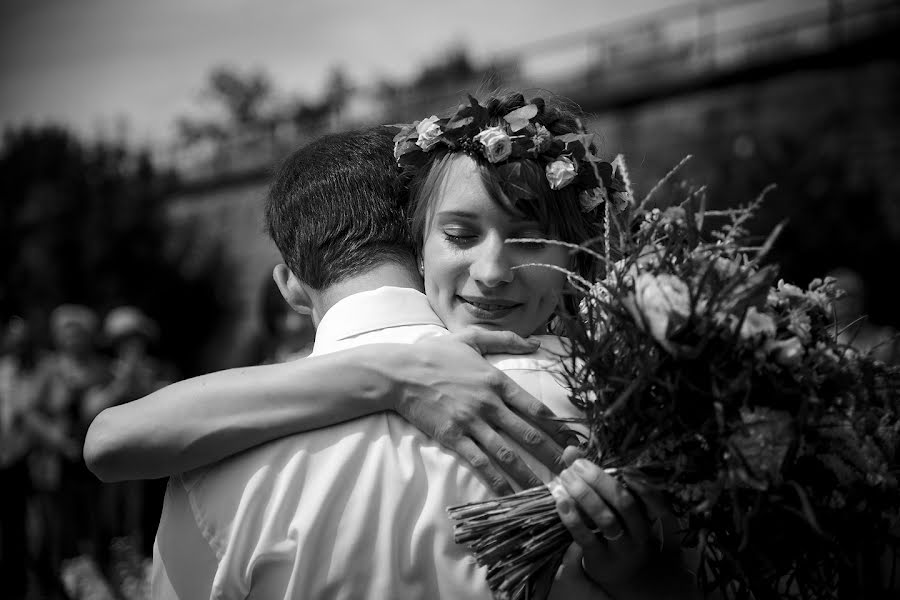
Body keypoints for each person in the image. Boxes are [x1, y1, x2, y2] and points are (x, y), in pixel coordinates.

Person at [87, 96, 693, 598]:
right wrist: (394, 373)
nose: (492, 270)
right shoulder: (599, 401)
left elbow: (109, 443)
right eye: (462, 233)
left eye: (528, 241)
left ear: (290, 288)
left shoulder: (208, 456)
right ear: (418, 239)